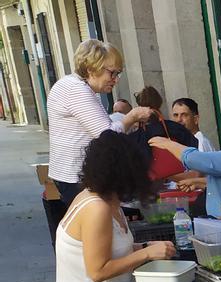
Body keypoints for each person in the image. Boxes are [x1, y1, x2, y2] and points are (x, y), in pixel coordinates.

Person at [54, 131, 200, 282]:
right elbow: (98, 271)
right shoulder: (97, 208)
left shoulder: (107, 199)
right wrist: (146, 254)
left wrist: (146, 247)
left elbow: (109, 249)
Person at [47, 40, 154, 206]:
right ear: (91, 68)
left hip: (72, 175)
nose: (115, 80)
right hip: (77, 176)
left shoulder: (71, 85)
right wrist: (131, 117)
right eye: (112, 73)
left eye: (118, 73)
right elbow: (107, 137)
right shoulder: (76, 90)